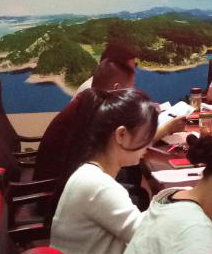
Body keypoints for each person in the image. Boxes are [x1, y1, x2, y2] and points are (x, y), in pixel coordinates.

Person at [50, 89, 158, 254]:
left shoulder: (89, 174)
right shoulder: (98, 186)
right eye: (146, 135)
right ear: (121, 135)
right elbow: (147, 236)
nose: (149, 144)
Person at [35, 58, 185, 183]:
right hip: (53, 188)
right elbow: (129, 143)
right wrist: (166, 128)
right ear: (116, 88)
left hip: (69, 177)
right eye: (130, 88)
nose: (131, 93)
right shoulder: (96, 111)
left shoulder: (90, 99)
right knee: (133, 173)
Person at [73, 42, 139, 96]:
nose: (134, 72)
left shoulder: (98, 86)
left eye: (135, 65)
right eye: (129, 70)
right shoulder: (94, 93)